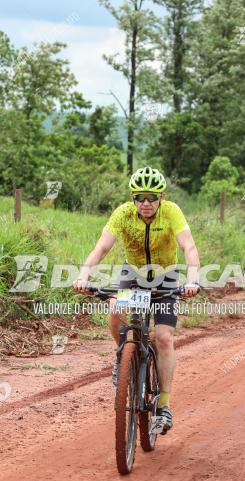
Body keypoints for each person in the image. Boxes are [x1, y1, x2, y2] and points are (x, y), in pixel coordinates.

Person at [74, 167, 200, 433]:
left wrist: (192, 280)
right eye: (140, 197)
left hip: (166, 276)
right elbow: (102, 247)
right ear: (133, 197)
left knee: (164, 337)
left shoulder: (172, 212)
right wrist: (84, 275)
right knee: (116, 310)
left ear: (161, 197)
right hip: (133, 275)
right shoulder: (122, 214)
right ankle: (124, 358)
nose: (146, 203)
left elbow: (188, 245)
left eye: (152, 197)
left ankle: (163, 406)